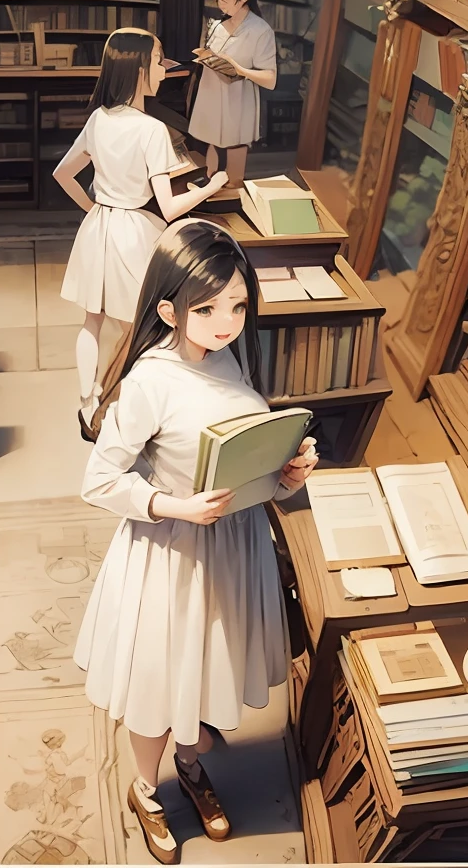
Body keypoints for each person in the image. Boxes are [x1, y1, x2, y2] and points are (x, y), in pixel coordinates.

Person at [76, 219, 319, 864]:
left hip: (232, 548)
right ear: (168, 309)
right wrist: (173, 505)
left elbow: (249, 471)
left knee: (203, 665)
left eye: (238, 305)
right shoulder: (150, 381)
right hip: (172, 555)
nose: (227, 321)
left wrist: (286, 475)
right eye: (207, 309)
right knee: (158, 680)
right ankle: (143, 789)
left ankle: (189, 763)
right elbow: (98, 481)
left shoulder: (228, 354)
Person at [53, 28, 228, 438]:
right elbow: (168, 208)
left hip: (100, 226)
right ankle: (140, 409)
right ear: (138, 69)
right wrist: (209, 187)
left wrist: (95, 209)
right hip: (135, 232)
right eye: (158, 61)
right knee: (147, 325)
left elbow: (63, 174)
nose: (164, 71)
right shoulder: (151, 130)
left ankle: (87, 402)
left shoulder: (99, 119)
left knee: (91, 321)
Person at [189, 0, 279, 191]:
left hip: (238, 98)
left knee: (234, 150)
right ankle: (209, 185)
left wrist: (240, 69)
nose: (221, 4)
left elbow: (270, 78)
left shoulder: (260, 30)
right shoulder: (217, 25)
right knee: (212, 143)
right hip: (211, 94)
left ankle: (233, 192)